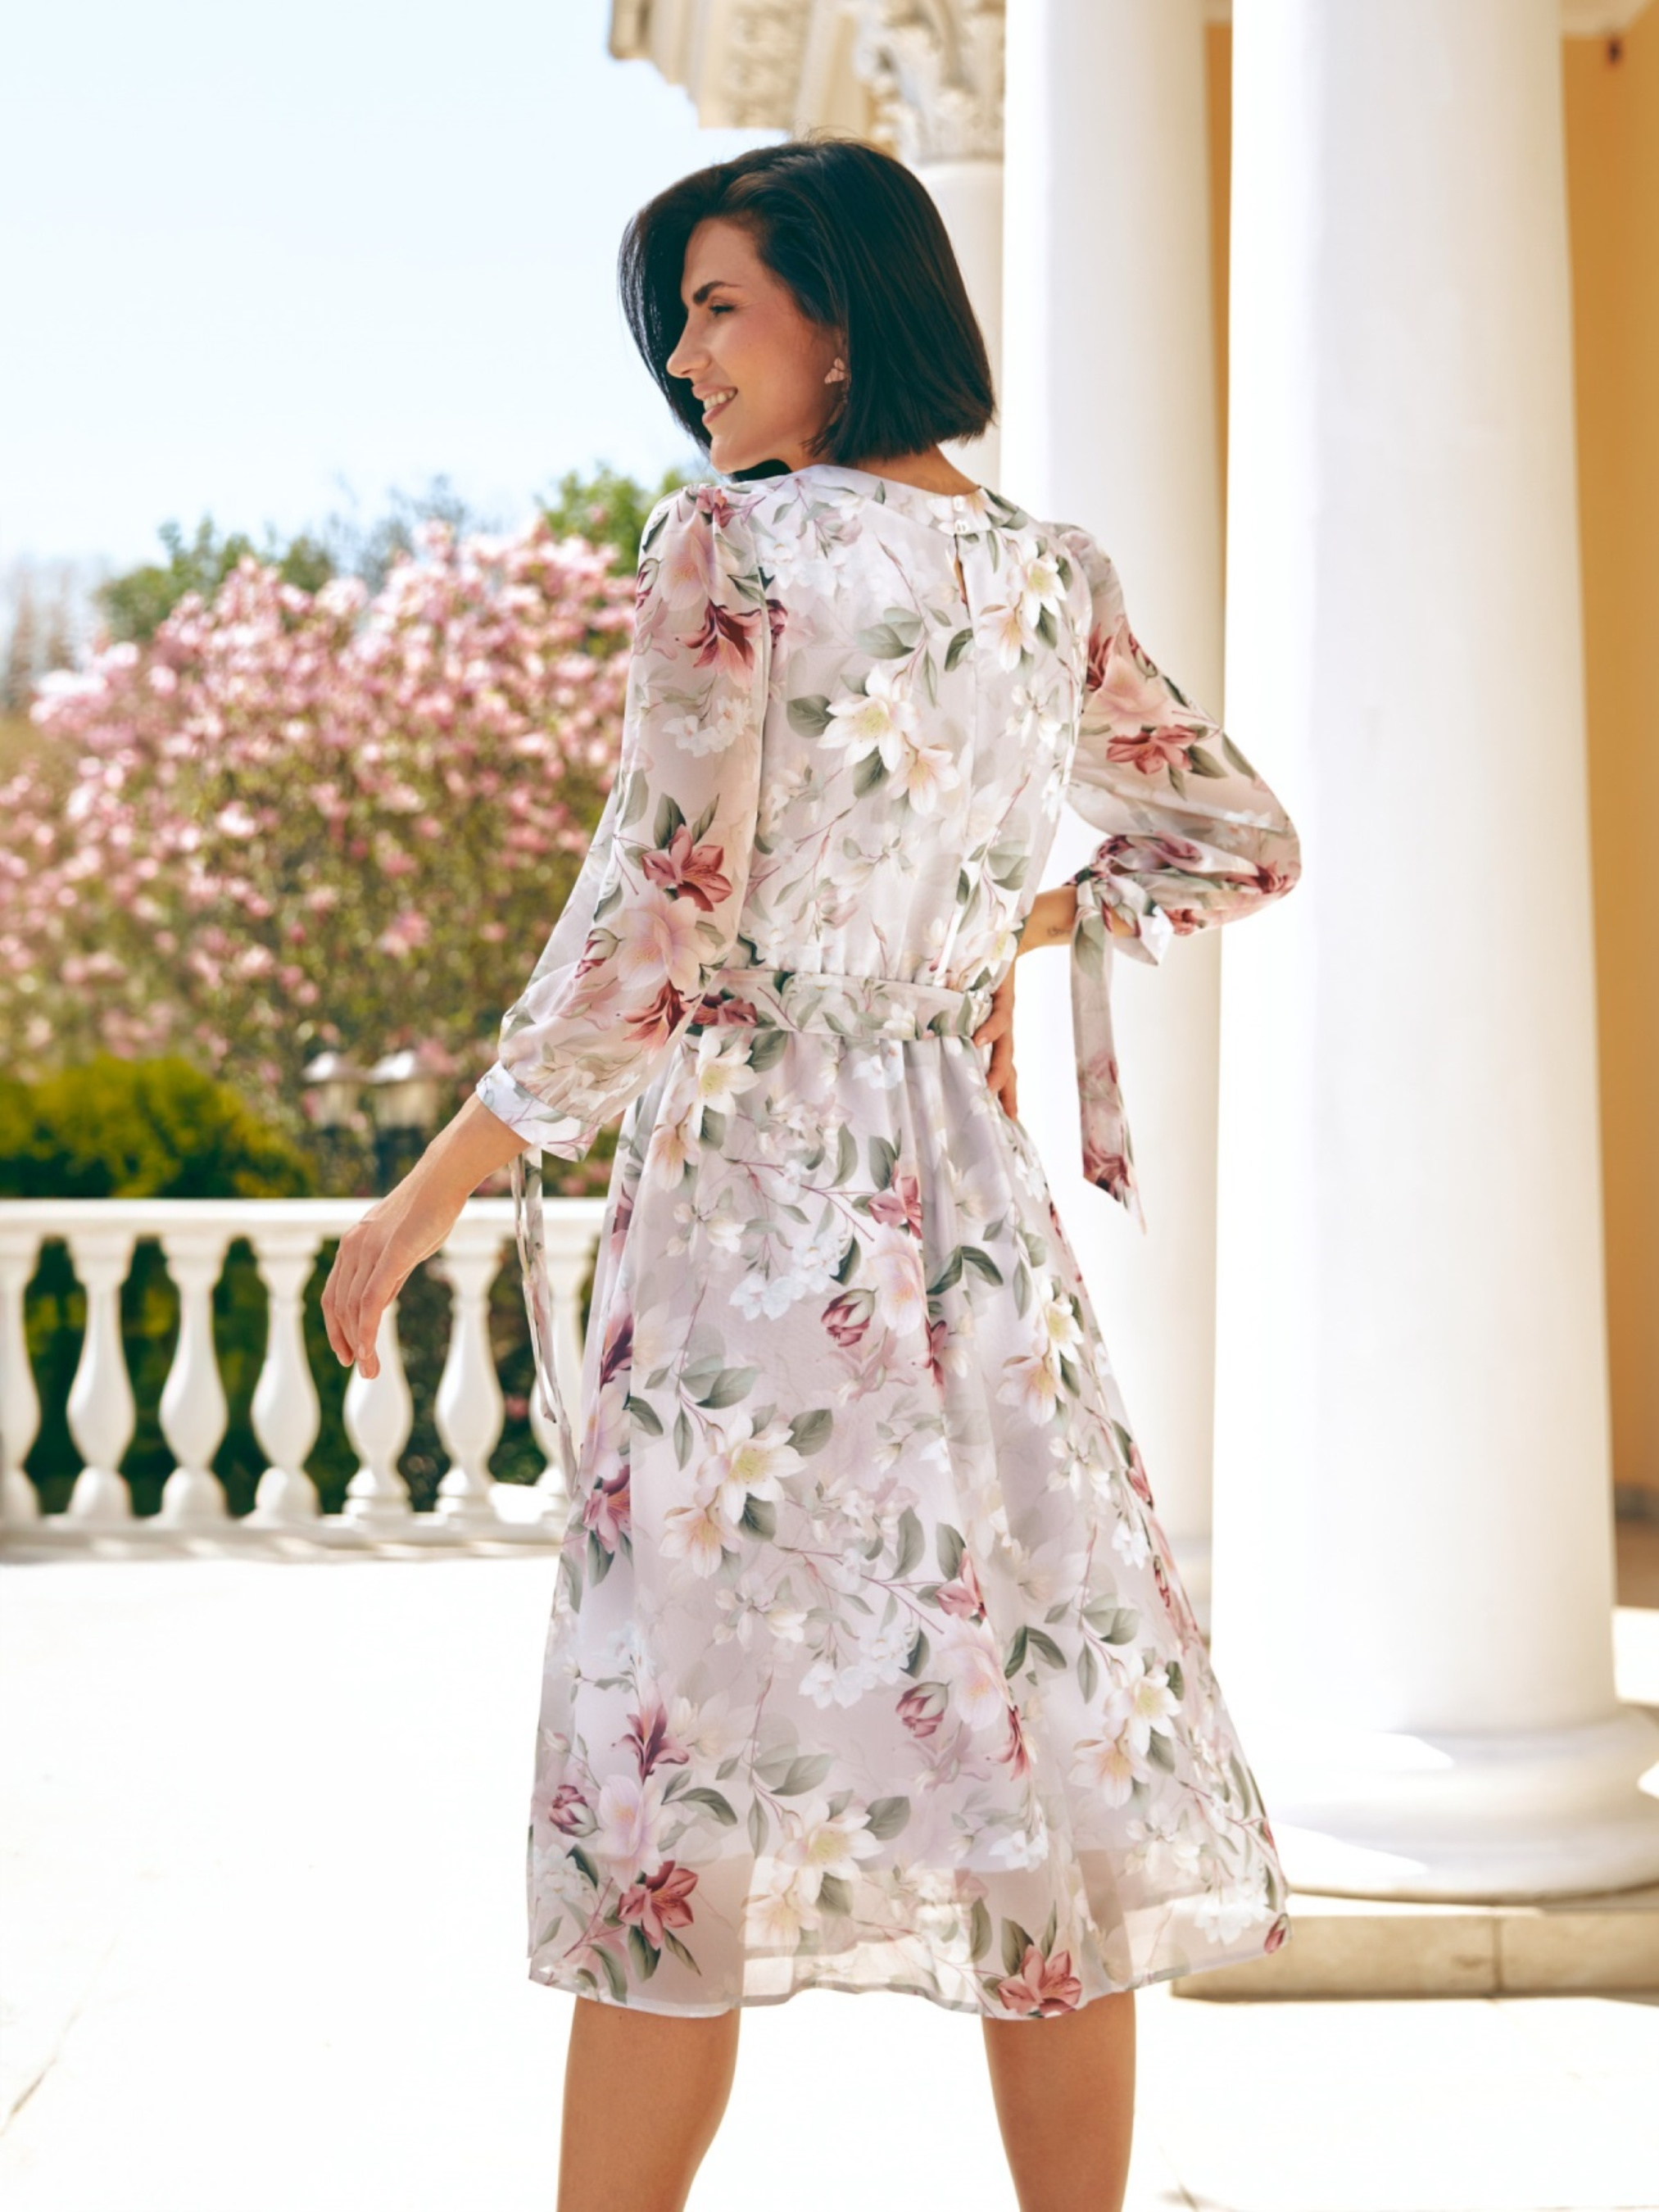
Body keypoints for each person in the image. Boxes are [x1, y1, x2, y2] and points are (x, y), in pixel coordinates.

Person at [322, 132, 1301, 2212]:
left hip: (753, 1212)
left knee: (671, 1778)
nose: (684, 359)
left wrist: (440, 1179)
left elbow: (656, 913)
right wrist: (1004, 933)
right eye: (678, 319)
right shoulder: (1048, 577)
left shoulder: (734, 551)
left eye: (717, 308)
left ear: (841, 321)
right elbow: (1236, 841)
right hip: (965, 1217)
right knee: (1038, 1749)